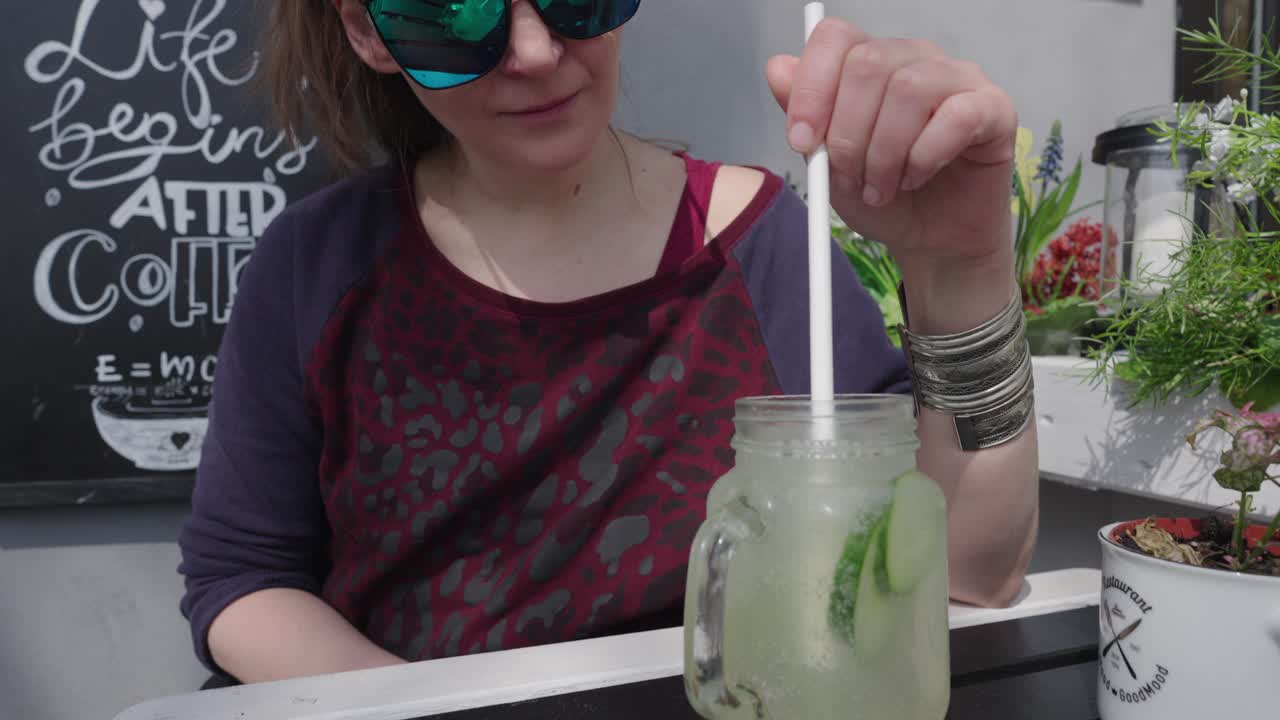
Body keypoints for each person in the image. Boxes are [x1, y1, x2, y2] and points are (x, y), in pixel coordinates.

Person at [177, 0, 1040, 685]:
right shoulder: (319, 267)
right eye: (454, 11)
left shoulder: (758, 249)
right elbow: (244, 581)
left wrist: (962, 270)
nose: (534, 52)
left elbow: (967, 574)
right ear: (367, 31)